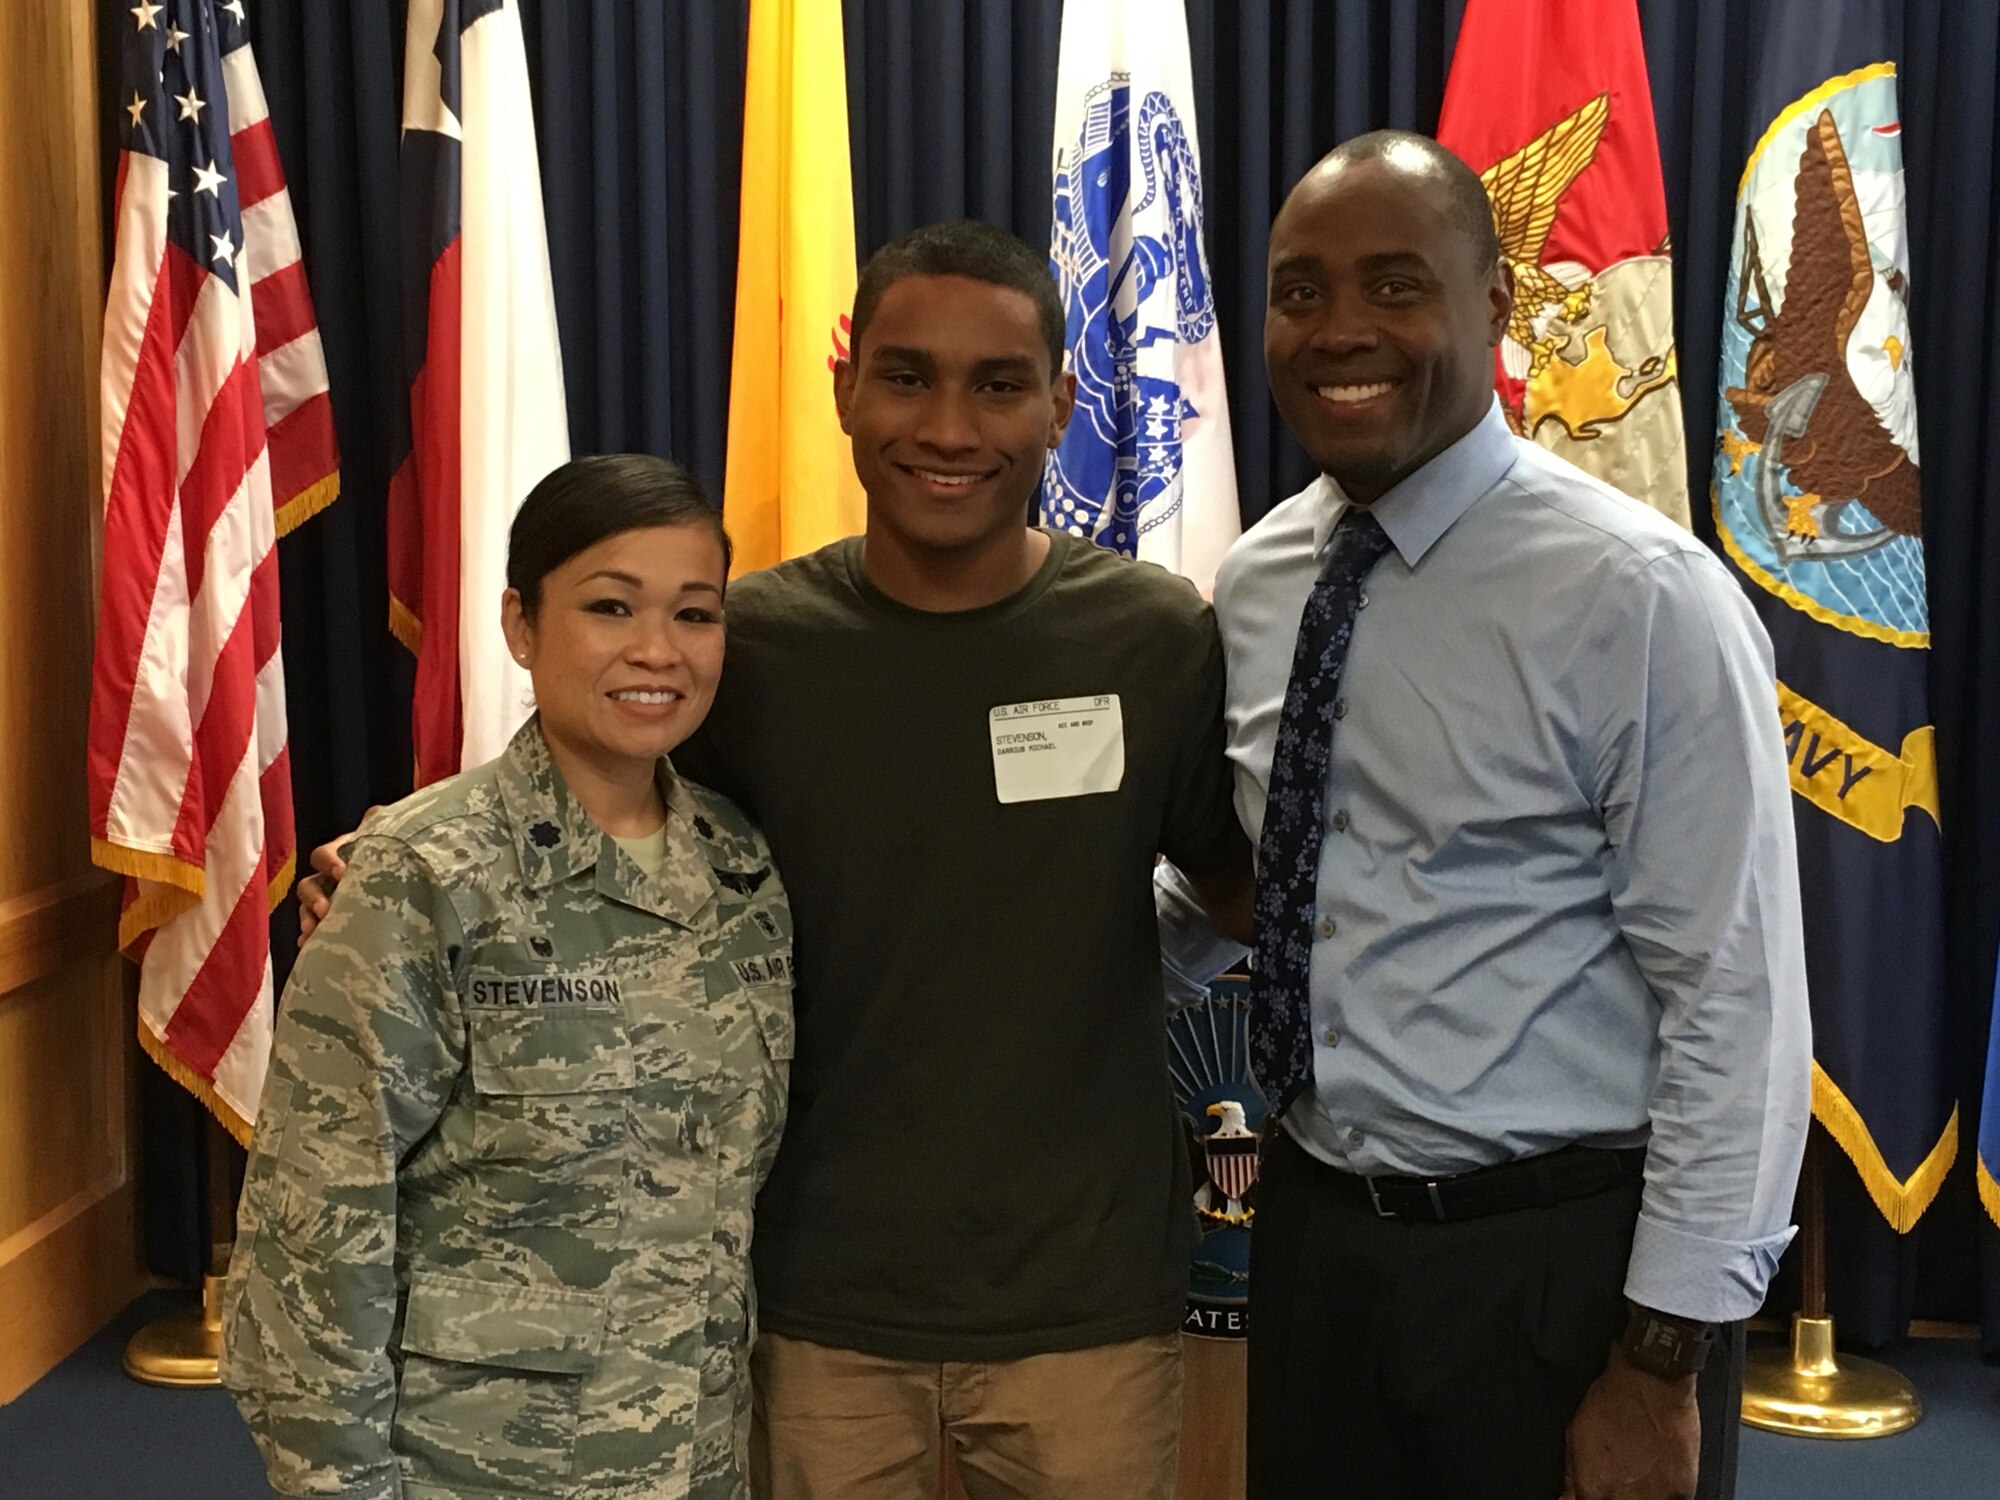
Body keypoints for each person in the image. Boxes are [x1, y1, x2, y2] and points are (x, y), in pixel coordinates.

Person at [301, 221, 1254, 1500]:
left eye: (998, 383)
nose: (949, 427)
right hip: (809, 1311)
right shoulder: (743, 647)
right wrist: (387, 862)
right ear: (844, 386)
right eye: (907, 376)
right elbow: (587, 806)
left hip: (1087, 1308)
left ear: (1061, 404)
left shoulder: (1150, 635)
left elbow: (1234, 883)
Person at [1158, 131, 1811, 1500]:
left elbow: (1735, 1005)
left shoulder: (1638, 595)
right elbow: (1267, 885)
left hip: (1559, 1273)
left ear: (1496, 304)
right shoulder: (1267, 575)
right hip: (1320, 1240)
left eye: (1397, 285)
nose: (1341, 330)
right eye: (1299, 290)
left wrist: (1659, 1358)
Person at [225, 456, 794, 1500]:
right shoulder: (424, 874)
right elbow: (313, 1228)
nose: (657, 650)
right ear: (520, 626)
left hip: (698, 1461)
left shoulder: (741, 866)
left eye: (695, 614)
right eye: (609, 607)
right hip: (476, 1470)